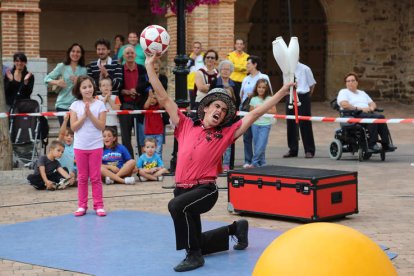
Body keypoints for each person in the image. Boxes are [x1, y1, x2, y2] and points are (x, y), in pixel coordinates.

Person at [145, 53, 292, 272]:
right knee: (195, 235)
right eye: (216, 106)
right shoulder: (185, 124)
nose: (219, 111)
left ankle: (194, 256)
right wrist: (149, 65)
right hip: (182, 188)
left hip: (205, 189)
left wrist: (282, 91)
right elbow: (164, 98)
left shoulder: (226, 133)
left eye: (223, 110)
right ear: (205, 108)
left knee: (176, 207)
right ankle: (235, 229)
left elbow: (256, 113)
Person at [70, 75, 107, 217]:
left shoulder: (100, 104)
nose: (88, 89)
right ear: (79, 89)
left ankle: (99, 205)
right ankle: (82, 205)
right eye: (84, 87)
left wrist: (90, 114)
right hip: (80, 146)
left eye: (90, 86)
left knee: (96, 177)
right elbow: (73, 127)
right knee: (82, 177)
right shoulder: (75, 105)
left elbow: (101, 126)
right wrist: (83, 116)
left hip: (96, 146)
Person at [337, 72, 396, 151]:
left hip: (367, 113)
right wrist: (359, 109)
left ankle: (386, 144)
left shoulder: (362, 93)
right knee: (374, 118)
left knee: (381, 117)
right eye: (348, 81)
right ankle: (372, 144)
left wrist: (371, 108)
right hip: (353, 114)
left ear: (357, 82)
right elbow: (344, 104)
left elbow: (372, 103)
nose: (350, 82)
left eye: (353, 80)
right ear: (346, 83)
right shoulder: (343, 92)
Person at [239, 55, 272, 168]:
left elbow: (269, 93)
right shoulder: (246, 78)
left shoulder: (264, 77)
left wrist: (254, 95)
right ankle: (248, 160)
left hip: (260, 110)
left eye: (248, 63)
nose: (246, 66)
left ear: (255, 64)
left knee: (259, 139)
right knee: (247, 136)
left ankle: (258, 161)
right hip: (246, 108)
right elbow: (241, 94)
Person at [44, 43, 87, 126]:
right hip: (63, 105)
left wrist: (78, 82)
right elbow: (46, 79)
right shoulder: (62, 66)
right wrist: (57, 82)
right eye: (73, 51)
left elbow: (86, 87)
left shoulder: (84, 69)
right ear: (69, 53)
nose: (75, 54)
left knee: (77, 132)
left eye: (78, 52)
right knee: (66, 133)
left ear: (81, 54)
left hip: (78, 105)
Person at [119, 45, 150, 157]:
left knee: (141, 138)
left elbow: (147, 84)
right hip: (125, 106)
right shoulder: (120, 69)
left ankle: (143, 162)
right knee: (125, 138)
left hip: (139, 105)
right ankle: (130, 163)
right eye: (127, 53)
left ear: (135, 55)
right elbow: (117, 89)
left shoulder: (142, 68)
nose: (130, 55)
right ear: (123, 55)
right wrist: (127, 92)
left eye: (132, 53)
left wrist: (136, 91)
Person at [210, 59, 240, 171]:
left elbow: (238, 101)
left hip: (230, 117)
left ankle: (228, 165)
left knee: (229, 140)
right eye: (223, 69)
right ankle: (215, 164)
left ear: (231, 71)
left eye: (228, 69)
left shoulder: (235, 84)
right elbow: (210, 97)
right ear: (220, 70)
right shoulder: (214, 82)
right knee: (215, 139)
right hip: (217, 115)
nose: (225, 71)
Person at [283, 62, 316, 158]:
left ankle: (309, 150)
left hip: (302, 95)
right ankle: (293, 149)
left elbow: (312, 85)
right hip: (290, 95)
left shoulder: (305, 68)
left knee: (305, 122)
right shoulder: (285, 69)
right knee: (290, 122)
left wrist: (306, 97)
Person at [249, 79, 276, 167]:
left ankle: (254, 162)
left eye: (263, 87)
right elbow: (251, 112)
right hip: (255, 125)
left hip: (266, 125)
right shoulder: (253, 99)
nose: (261, 89)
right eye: (259, 87)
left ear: (266, 89)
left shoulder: (270, 99)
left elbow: (274, 111)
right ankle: (262, 163)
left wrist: (263, 109)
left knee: (261, 144)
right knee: (258, 145)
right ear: (256, 88)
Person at [193, 49, 218, 114]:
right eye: (208, 57)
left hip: (215, 102)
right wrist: (214, 87)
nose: (210, 59)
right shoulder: (199, 72)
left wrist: (207, 86)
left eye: (212, 58)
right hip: (201, 101)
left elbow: (220, 88)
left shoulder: (218, 73)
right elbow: (201, 88)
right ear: (204, 59)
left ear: (215, 60)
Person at [144, 90, 165, 158]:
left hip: (158, 132)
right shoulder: (148, 107)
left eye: (154, 98)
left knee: (158, 150)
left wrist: (157, 96)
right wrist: (149, 97)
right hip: (149, 133)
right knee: (148, 150)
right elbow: (145, 106)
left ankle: (158, 165)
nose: (153, 100)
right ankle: (149, 164)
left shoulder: (158, 107)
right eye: (151, 98)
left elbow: (162, 106)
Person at [57, 113, 77, 178]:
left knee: (72, 174)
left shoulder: (75, 145)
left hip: (72, 171)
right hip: (61, 171)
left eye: (71, 136)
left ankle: (71, 180)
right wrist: (65, 120)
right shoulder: (60, 144)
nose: (69, 137)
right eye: (67, 135)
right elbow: (61, 134)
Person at [187, 42, 205, 109]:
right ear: (192, 48)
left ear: (201, 49)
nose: (196, 49)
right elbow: (186, 68)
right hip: (191, 83)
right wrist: (191, 60)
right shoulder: (189, 57)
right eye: (195, 47)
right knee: (192, 103)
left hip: (200, 83)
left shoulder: (204, 57)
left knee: (200, 101)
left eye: (198, 48)